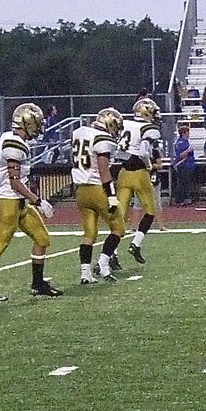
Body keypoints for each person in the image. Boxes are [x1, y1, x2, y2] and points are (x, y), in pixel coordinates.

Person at [0, 103, 61, 301]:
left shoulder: (13, 139)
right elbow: (15, 183)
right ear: (27, 123)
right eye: (36, 123)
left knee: (42, 238)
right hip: (9, 202)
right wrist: (38, 201)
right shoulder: (14, 143)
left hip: (20, 202)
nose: (38, 127)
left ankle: (38, 283)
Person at [72, 108, 124, 284]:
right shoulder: (102, 139)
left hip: (80, 190)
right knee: (118, 228)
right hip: (96, 189)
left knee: (89, 233)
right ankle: (103, 264)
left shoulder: (80, 132)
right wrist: (111, 195)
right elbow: (103, 170)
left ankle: (85, 273)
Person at [117, 97, 163, 265]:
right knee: (150, 212)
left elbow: (118, 150)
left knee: (120, 216)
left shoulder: (125, 123)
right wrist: (149, 165)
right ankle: (135, 244)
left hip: (123, 172)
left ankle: (111, 253)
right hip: (139, 173)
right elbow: (144, 151)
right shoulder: (148, 128)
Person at [173, 123, 197, 207]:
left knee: (186, 183)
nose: (189, 134)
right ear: (183, 133)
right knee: (182, 183)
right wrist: (188, 150)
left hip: (188, 165)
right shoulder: (181, 142)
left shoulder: (185, 141)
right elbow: (180, 155)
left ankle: (185, 198)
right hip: (184, 165)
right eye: (187, 132)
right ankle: (180, 199)